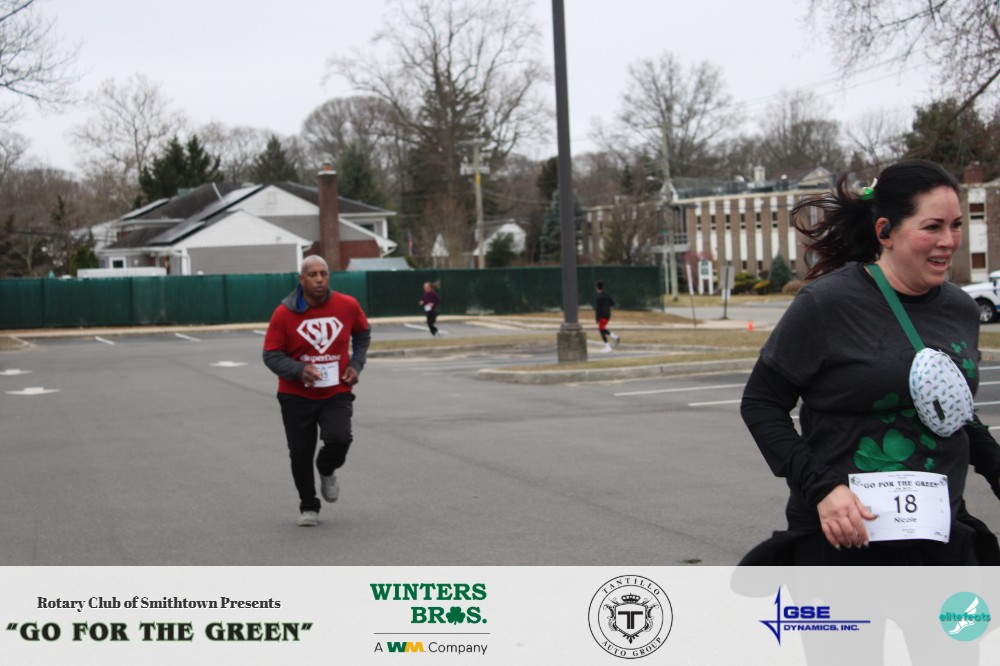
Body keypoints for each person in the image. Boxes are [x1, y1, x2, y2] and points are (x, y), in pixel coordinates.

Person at [739, 159, 1000, 565]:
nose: (949, 241)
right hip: (845, 538)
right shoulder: (827, 304)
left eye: (956, 225)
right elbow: (761, 403)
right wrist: (823, 488)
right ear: (885, 232)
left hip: (939, 533)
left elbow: (951, 412)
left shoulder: (961, 309)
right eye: (932, 227)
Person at [263, 255, 371, 527]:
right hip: (295, 395)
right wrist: (299, 370)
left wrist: (356, 363)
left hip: (336, 391)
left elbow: (363, 334)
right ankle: (308, 505)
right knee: (300, 453)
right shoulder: (284, 313)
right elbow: (271, 355)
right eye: (313, 275)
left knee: (340, 439)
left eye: (324, 274)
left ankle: (326, 468)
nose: (320, 279)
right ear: (302, 280)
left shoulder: (347, 305)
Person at [594, 281, 620, 353]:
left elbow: (598, 309)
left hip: (602, 316)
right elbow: (612, 303)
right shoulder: (607, 295)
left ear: (597, 288)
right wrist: (607, 308)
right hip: (608, 315)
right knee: (602, 329)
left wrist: (597, 319)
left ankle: (608, 347)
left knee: (601, 330)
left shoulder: (598, 297)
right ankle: (614, 336)